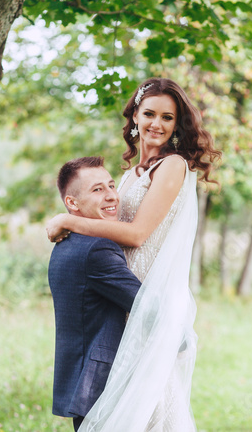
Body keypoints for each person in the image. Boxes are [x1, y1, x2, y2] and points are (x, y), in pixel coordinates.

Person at [47, 78, 221, 431]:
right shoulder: (128, 176)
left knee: (153, 405)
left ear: (177, 124)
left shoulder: (172, 166)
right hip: (120, 300)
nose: (157, 124)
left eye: (168, 118)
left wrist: (68, 220)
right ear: (135, 118)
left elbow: (138, 234)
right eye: (150, 114)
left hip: (145, 297)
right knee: (123, 408)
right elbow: (106, 222)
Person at [48, 156, 141, 432]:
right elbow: (145, 306)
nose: (112, 195)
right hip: (101, 383)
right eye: (97, 189)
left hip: (81, 381)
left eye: (111, 186)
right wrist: (180, 338)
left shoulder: (64, 245)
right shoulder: (97, 249)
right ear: (72, 204)